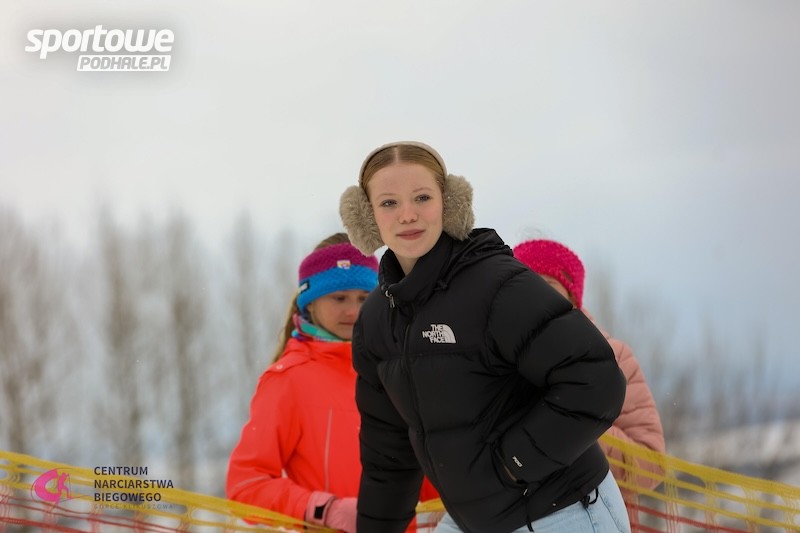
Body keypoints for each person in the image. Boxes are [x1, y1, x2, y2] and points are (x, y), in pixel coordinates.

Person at [339, 141, 631, 533]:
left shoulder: (495, 285)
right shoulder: (376, 320)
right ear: (367, 216)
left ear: (449, 202)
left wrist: (514, 465)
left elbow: (596, 380)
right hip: (473, 521)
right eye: (389, 203)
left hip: (562, 511)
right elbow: (388, 452)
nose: (408, 214)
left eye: (422, 197)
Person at [225, 233, 377, 533]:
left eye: (364, 298)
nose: (353, 311)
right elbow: (246, 485)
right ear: (310, 303)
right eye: (339, 298)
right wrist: (325, 510)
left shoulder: (393, 372)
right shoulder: (289, 379)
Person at [512, 238, 666, 523]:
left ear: (572, 298)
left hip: (592, 519)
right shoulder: (494, 363)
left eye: (548, 285)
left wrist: (575, 422)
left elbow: (651, 467)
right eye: (525, 284)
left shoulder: (613, 357)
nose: (535, 295)